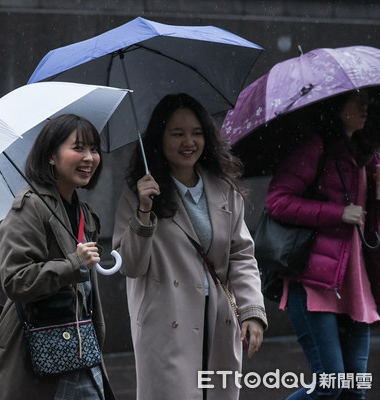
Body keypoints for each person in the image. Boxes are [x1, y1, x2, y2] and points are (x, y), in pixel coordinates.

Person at [112, 93, 267, 400]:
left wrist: (252, 311)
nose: (189, 142)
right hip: (167, 324)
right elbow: (130, 264)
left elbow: (241, 255)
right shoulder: (140, 194)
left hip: (219, 319)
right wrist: (144, 212)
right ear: (160, 138)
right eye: (177, 133)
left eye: (197, 133)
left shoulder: (224, 189)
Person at [0, 114, 116, 400]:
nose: (89, 157)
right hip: (39, 352)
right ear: (51, 156)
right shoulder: (29, 208)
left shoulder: (85, 213)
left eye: (94, 149)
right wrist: (74, 264)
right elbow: (16, 280)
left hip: (83, 349)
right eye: (78, 148)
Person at [266, 88, 380, 399]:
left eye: (367, 98)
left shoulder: (367, 152)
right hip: (314, 282)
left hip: (355, 282)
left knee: (354, 390)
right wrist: (338, 212)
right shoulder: (315, 147)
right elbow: (277, 202)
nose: (364, 105)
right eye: (354, 98)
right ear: (334, 105)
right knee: (330, 387)